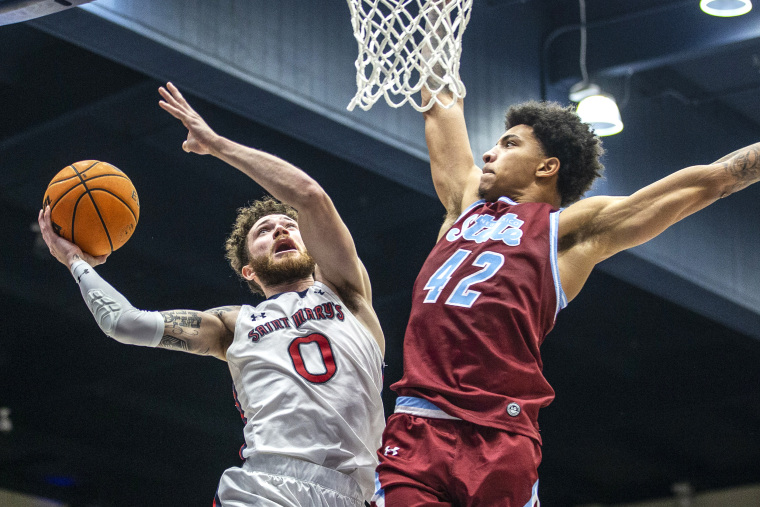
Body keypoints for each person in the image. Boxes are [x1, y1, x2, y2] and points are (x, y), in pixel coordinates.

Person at [370, 76, 760, 504]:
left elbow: (708, 182)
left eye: (509, 144)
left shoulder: (568, 230)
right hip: (417, 425)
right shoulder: (464, 206)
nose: (488, 153)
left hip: (499, 433)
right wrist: (434, 34)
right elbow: (441, 105)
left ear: (546, 166)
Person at [38, 82, 385, 507]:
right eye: (264, 231)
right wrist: (76, 262)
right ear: (249, 270)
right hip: (265, 487)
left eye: (288, 225)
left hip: (355, 494)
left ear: (313, 249)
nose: (279, 229)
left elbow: (310, 196)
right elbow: (124, 323)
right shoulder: (235, 324)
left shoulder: (348, 295)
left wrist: (217, 144)